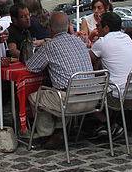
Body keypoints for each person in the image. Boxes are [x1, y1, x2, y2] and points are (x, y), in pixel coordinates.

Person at [25, 11, 95, 148]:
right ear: (68, 26)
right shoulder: (79, 41)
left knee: (36, 96)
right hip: (93, 98)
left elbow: (31, 67)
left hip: (71, 102)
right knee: (58, 92)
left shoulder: (50, 46)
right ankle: (59, 130)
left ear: (50, 28)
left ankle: (46, 134)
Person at [90, 11, 132, 94]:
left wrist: (88, 39)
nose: (96, 28)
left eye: (98, 25)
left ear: (106, 28)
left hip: (118, 95)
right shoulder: (127, 38)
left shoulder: (103, 41)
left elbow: (86, 60)